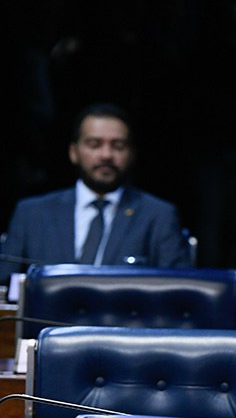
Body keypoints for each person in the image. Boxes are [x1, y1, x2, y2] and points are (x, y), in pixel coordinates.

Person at [0, 103, 192, 285]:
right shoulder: (31, 213)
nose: (106, 155)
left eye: (118, 146)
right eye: (94, 144)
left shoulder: (158, 215)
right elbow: (4, 288)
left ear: (132, 154)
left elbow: (178, 291)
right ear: (73, 152)